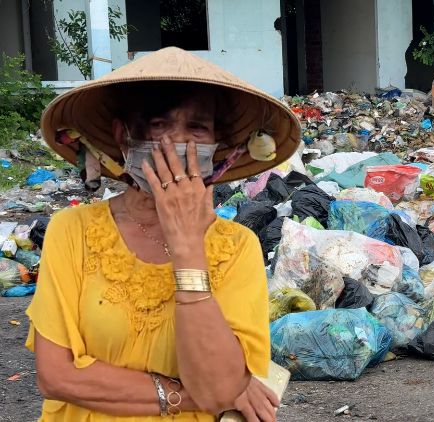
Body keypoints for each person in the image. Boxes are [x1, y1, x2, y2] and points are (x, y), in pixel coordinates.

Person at [26, 47, 301, 421]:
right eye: (158, 126)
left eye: (197, 129)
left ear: (218, 148)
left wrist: (187, 244)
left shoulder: (237, 248)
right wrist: (185, 395)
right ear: (123, 136)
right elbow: (57, 376)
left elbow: (220, 388)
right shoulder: (72, 231)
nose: (178, 145)